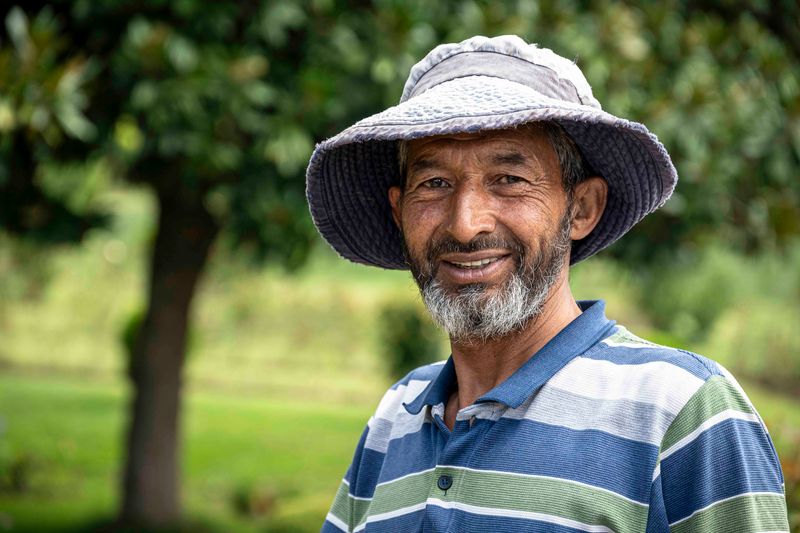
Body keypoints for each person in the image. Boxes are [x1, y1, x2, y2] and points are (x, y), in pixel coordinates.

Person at [305, 35, 789, 532]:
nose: (465, 224)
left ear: (581, 209)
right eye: (434, 184)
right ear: (398, 210)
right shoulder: (395, 418)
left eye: (509, 179)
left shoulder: (682, 412)